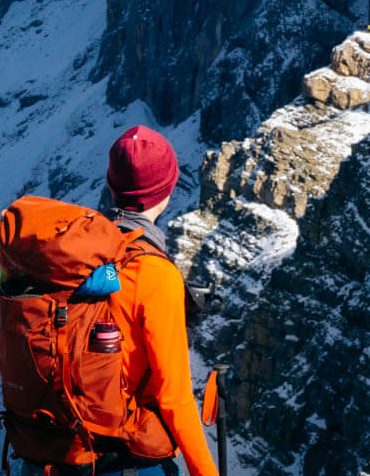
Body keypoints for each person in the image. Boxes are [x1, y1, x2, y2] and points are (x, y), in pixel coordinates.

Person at [12, 125, 219, 476]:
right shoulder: (154, 273)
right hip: (124, 462)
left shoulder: (64, 257)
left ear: (110, 185)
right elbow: (175, 398)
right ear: (169, 190)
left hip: (50, 456)